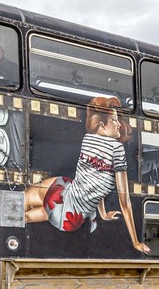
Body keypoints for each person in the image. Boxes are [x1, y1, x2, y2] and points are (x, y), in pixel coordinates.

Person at [25, 96, 150, 254]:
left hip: (63, 197)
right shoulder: (116, 150)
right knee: (24, 216)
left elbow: (98, 184)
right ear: (102, 125)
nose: (119, 124)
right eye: (114, 120)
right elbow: (115, 195)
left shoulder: (88, 139)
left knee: (19, 203)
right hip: (69, 219)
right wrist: (134, 241)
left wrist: (105, 216)